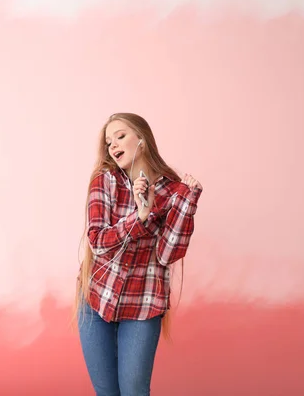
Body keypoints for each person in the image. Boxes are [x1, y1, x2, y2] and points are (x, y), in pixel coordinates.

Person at [73, 112, 203, 396]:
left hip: (143, 305)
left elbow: (168, 253)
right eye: (109, 141)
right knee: (107, 392)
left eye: (120, 136)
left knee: (134, 390)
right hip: (96, 299)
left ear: (142, 140)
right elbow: (98, 241)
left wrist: (187, 203)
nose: (113, 146)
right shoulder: (105, 180)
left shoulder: (172, 189)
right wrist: (139, 217)